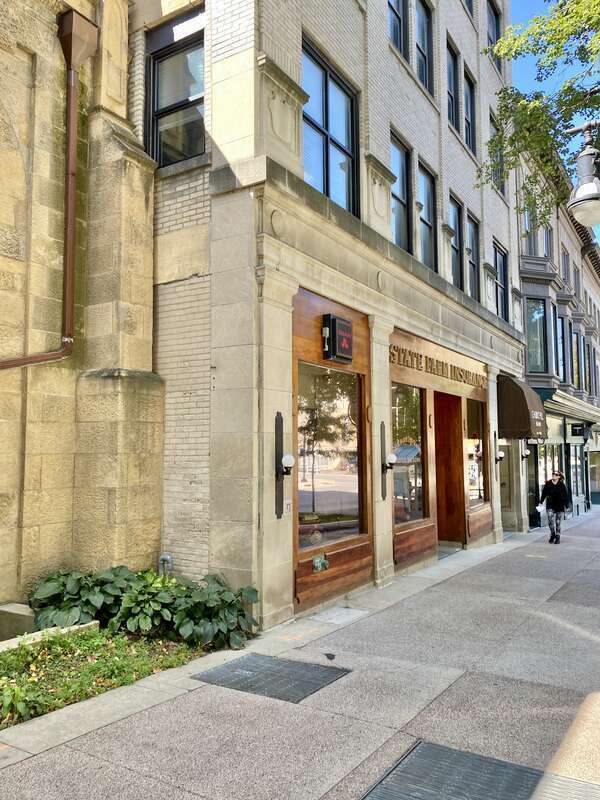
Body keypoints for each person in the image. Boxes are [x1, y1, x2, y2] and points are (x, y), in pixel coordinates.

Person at [540, 471, 569, 544]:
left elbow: (565, 495)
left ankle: (558, 537)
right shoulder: (548, 483)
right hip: (550, 504)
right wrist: (541, 502)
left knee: (558, 522)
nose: (554, 475)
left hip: (559, 505)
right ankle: (553, 535)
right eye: (553, 474)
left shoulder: (561, 484)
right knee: (550, 521)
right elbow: (544, 493)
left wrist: (566, 505)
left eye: (556, 474)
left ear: (559, 477)